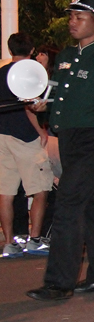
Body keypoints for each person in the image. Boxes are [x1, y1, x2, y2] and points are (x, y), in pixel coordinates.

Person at [26, 0, 94, 301]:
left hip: (93, 141)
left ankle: (59, 282)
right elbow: (60, 97)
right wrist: (42, 106)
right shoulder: (67, 57)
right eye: (71, 16)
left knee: (68, 205)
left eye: (79, 16)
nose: (72, 21)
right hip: (69, 140)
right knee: (92, 209)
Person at [0, 33, 55, 257]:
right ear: (31, 50)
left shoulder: (2, 72)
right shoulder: (30, 73)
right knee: (40, 189)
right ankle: (35, 240)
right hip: (25, 137)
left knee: (6, 192)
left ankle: (9, 242)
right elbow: (30, 107)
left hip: (2, 136)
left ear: (10, 49)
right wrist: (41, 132)